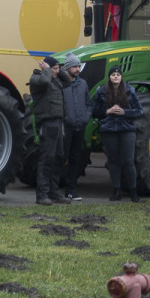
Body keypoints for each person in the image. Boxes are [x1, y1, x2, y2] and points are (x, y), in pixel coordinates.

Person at [91, 65, 143, 201]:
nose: (115, 76)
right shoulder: (101, 92)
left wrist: (124, 112)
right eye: (113, 74)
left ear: (121, 77)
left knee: (128, 161)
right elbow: (94, 112)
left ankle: (133, 191)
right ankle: (116, 190)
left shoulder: (129, 91)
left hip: (126, 129)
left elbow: (139, 111)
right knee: (113, 161)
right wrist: (107, 112)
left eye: (118, 75)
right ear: (109, 77)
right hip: (108, 130)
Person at [29, 55, 71, 206]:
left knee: (58, 157)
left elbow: (67, 81)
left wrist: (57, 71)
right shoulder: (37, 79)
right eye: (55, 68)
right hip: (47, 123)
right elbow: (45, 80)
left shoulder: (57, 80)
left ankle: (54, 193)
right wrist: (47, 70)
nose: (57, 71)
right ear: (45, 68)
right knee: (47, 159)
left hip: (58, 123)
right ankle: (42, 195)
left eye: (58, 68)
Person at [59, 53, 91, 200]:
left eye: (79, 66)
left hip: (80, 126)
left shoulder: (83, 84)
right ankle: (53, 189)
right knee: (60, 157)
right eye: (75, 66)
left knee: (75, 159)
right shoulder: (60, 84)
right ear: (67, 68)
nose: (78, 69)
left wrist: (86, 117)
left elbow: (88, 103)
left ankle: (70, 190)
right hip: (66, 127)